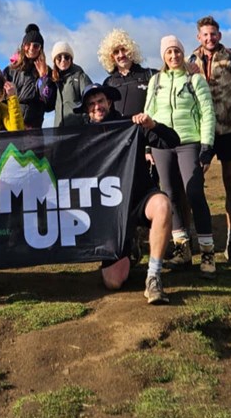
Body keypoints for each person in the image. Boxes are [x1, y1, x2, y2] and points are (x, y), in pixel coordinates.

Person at [75, 83, 178, 305]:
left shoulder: (130, 124)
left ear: (109, 102)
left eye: (100, 101)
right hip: (109, 210)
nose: (97, 107)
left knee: (162, 205)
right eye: (91, 104)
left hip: (140, 198)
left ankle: (154, 276)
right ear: (86, 110)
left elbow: (172, 140)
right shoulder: (82, 137)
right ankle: (130, 247)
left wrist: (152, 125)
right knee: (113, 281)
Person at [143, 35, 218, 278]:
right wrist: (148, 146)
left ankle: (207, 253)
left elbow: (207, 113)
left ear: (182, 53)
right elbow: (148, 112)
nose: (173, 56)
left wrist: (207, 147)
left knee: (194, 193)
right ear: (163, 56)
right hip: (161, 145)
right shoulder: (155, 81)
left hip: (189, 142)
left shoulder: (195, 79)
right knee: (169, 195)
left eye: (177, 51)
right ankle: (182, 249)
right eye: (169, 52)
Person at [189, 16, 231, 265]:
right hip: (200, 133)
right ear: (199, 37)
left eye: (213, 33)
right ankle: (189, 240)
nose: (210, 38)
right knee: (193, 185)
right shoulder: (189, 61)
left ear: (219, 35)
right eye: (205, 34)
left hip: (230, 130)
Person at [3, 24, 57, 129]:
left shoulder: (48, 72)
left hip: (33, 129)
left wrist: (44, 78)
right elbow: (0, 100)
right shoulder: (10, 70)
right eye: (28, 44)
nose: (31, 48)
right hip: (11, 126)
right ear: (23, 46)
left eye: (36, 45)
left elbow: (49, 104)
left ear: (41, 49)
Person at [98, 29, 157, 117]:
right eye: (116, 52)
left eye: (123, 49)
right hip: (119, 126)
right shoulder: (108, 83)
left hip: (145, 125)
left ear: (130, 50)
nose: (121, 55)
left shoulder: (150, 75)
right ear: (111, 57)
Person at [50, 41, 93, 127]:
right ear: (54, 60)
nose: (63, 60)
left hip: (78, 129)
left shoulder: (80, 76)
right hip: (59, 130)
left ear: (71, 59)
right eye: (59, 57)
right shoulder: (54, 80)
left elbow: (91, 100)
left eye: (66, 57)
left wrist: (86, 123)